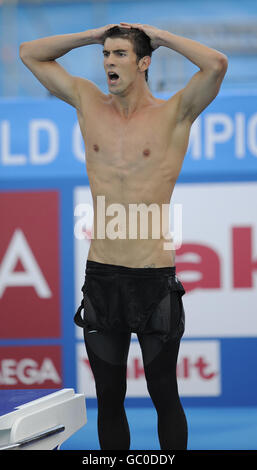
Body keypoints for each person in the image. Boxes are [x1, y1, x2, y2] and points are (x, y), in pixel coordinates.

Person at [20, 22, 227, 450]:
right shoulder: (87, 101)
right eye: (106, 55)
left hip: (153, 280)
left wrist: (160, 35)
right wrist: (91, 35)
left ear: (144, 63)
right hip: (103, 278)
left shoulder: (175, 113)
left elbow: (216, 64)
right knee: (109, 399)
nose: (108, 63)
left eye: (119, 55)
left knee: (164, 395)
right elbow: (29, 52)